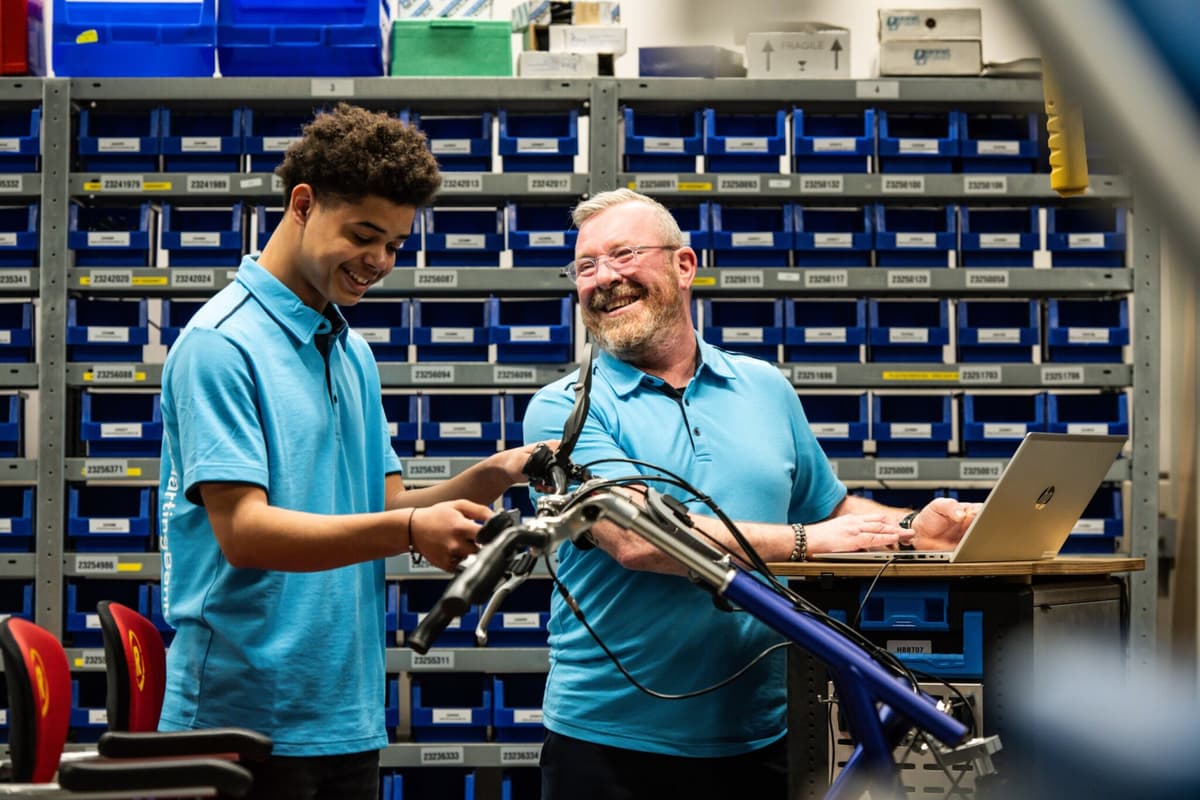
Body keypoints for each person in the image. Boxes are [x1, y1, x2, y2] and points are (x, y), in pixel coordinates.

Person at [522, 188, 982, 800]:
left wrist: (913, 528)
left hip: (765, 731)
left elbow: (831, 509)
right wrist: (805, 544)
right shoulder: (563, 410)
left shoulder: (763, 387)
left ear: (684, 266)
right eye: (585, 267)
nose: (604, 279)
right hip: (612, 743)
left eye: (623, 255)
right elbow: (635, 536)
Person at [157, 103, 549, 800]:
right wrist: (405, 530)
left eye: (396, 245)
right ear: (302, 204)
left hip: (344, 710)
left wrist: (492, 474)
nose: (379, 262)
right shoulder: (221, 345)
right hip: (242, 718)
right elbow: (244, 534)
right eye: (365, 235)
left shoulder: (350, 350)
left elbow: (387, 505)